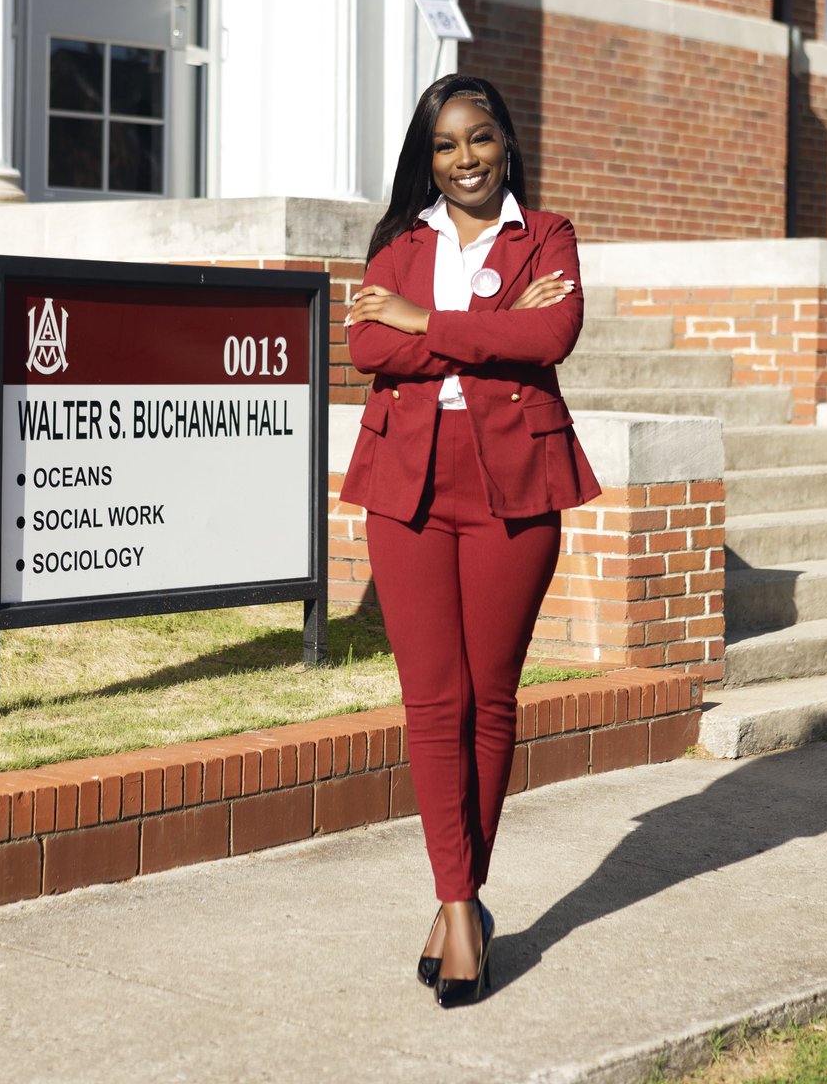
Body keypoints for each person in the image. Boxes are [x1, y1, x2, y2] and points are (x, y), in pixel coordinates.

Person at [342, 74, 600, 1007]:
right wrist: (491, 328)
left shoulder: (550, 235)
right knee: (430, 701)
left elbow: (556, 334)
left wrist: (424, 322)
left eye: (480, 139)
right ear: (429, 155)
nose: (465, 159)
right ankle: (460, 905)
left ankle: (460, 901)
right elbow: (371, 351)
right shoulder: (397, 242)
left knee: (489, 700)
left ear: (505, 142)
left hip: (515, 484)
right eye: (447, 145)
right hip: (407, 484)